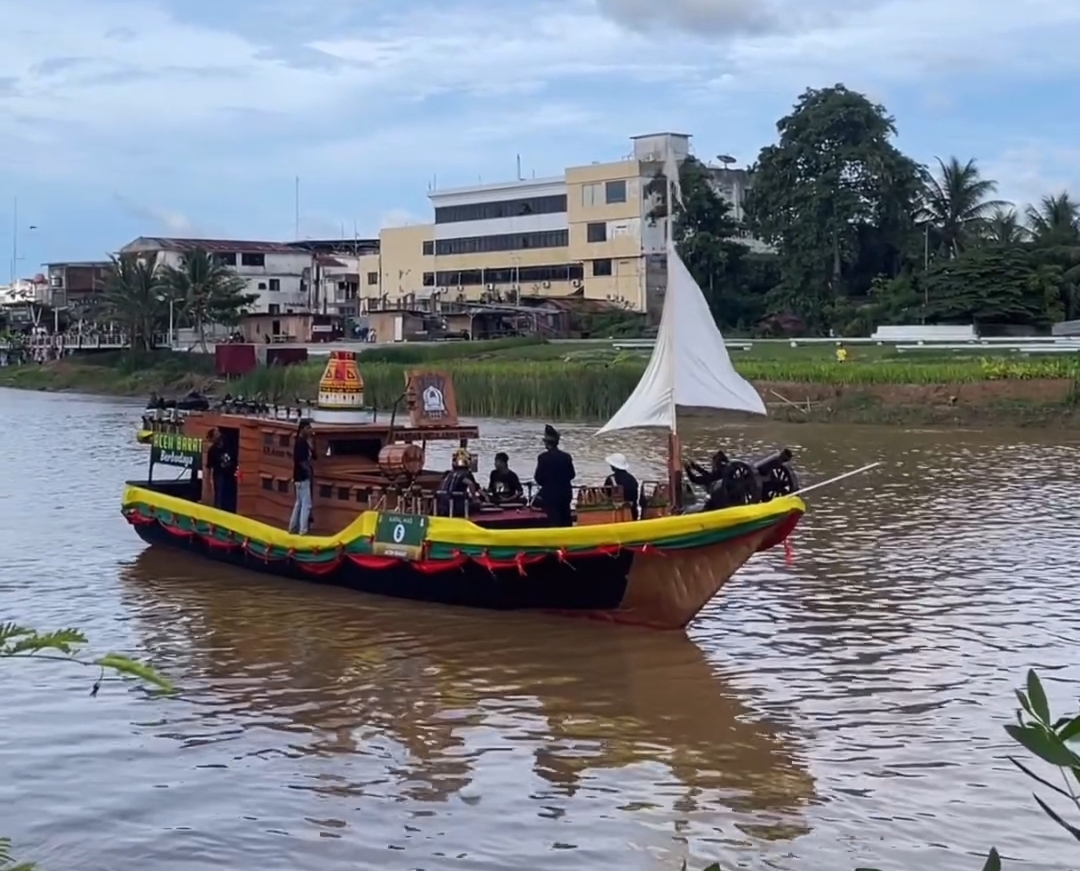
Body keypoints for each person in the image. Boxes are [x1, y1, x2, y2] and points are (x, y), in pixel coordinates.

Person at [533, 424, 576, 527]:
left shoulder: (543, 458)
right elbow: (572, 475)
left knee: (554, 520)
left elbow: (538, 478)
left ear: (547, 443)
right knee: (566, 518)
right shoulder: (566, 457)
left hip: (550, 495)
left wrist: (548, 484)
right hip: (566, 493)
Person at [436, 448, 480, 517]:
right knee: (477, 505)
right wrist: (475, 498)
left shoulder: (448, 474)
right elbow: (471, 484)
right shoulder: (465, 474)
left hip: (440, 506)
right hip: (455, 506)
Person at [288, 419, 314, 534]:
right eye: (308, 428)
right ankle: (303, 530)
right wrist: (308, 471)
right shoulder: (300, 443)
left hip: (298, 477)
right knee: (306, 504)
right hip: (302, 477)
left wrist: (312, 442)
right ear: (302, 429)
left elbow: (314, 455)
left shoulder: (303, 442)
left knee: (298, 502)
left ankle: (292, 527)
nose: (310, 430)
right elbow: (301, 460)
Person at [603, 452, 642, 521]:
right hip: (633, 514)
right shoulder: (632, 479)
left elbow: (605, 495)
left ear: (613, 466)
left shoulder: (611, 479)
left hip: (615, 515)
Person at [206, 428, 236, 511]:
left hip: (231, 474)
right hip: (220, 475)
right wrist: (208, 482)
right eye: (216, 433)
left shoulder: (229, 444)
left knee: (231, 495)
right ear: (213, 438)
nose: (219, 434)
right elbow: (209, 467)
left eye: (218, 432)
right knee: (220, 495)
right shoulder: (212, 450)